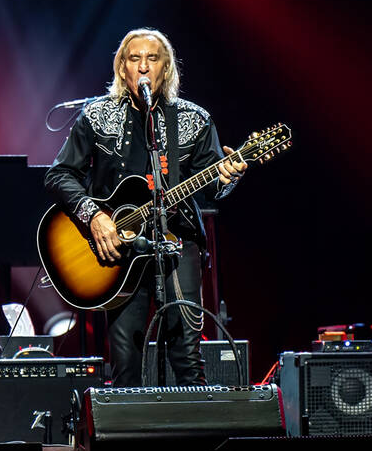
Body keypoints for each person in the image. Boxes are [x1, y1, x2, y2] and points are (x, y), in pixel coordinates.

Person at [44, 28, 246, 386]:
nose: (142, 67)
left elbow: (212, 190)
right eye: (134, 59)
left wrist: (228, 176)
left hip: (178, 243)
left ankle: (191, 439)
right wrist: (95, 217)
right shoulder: (96, 116)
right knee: (126, 363)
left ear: (165, 70)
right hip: (117, 253)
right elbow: (60, 174)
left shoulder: (195, 119)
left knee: (187, 357)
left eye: (152, 59)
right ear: (122, 68)